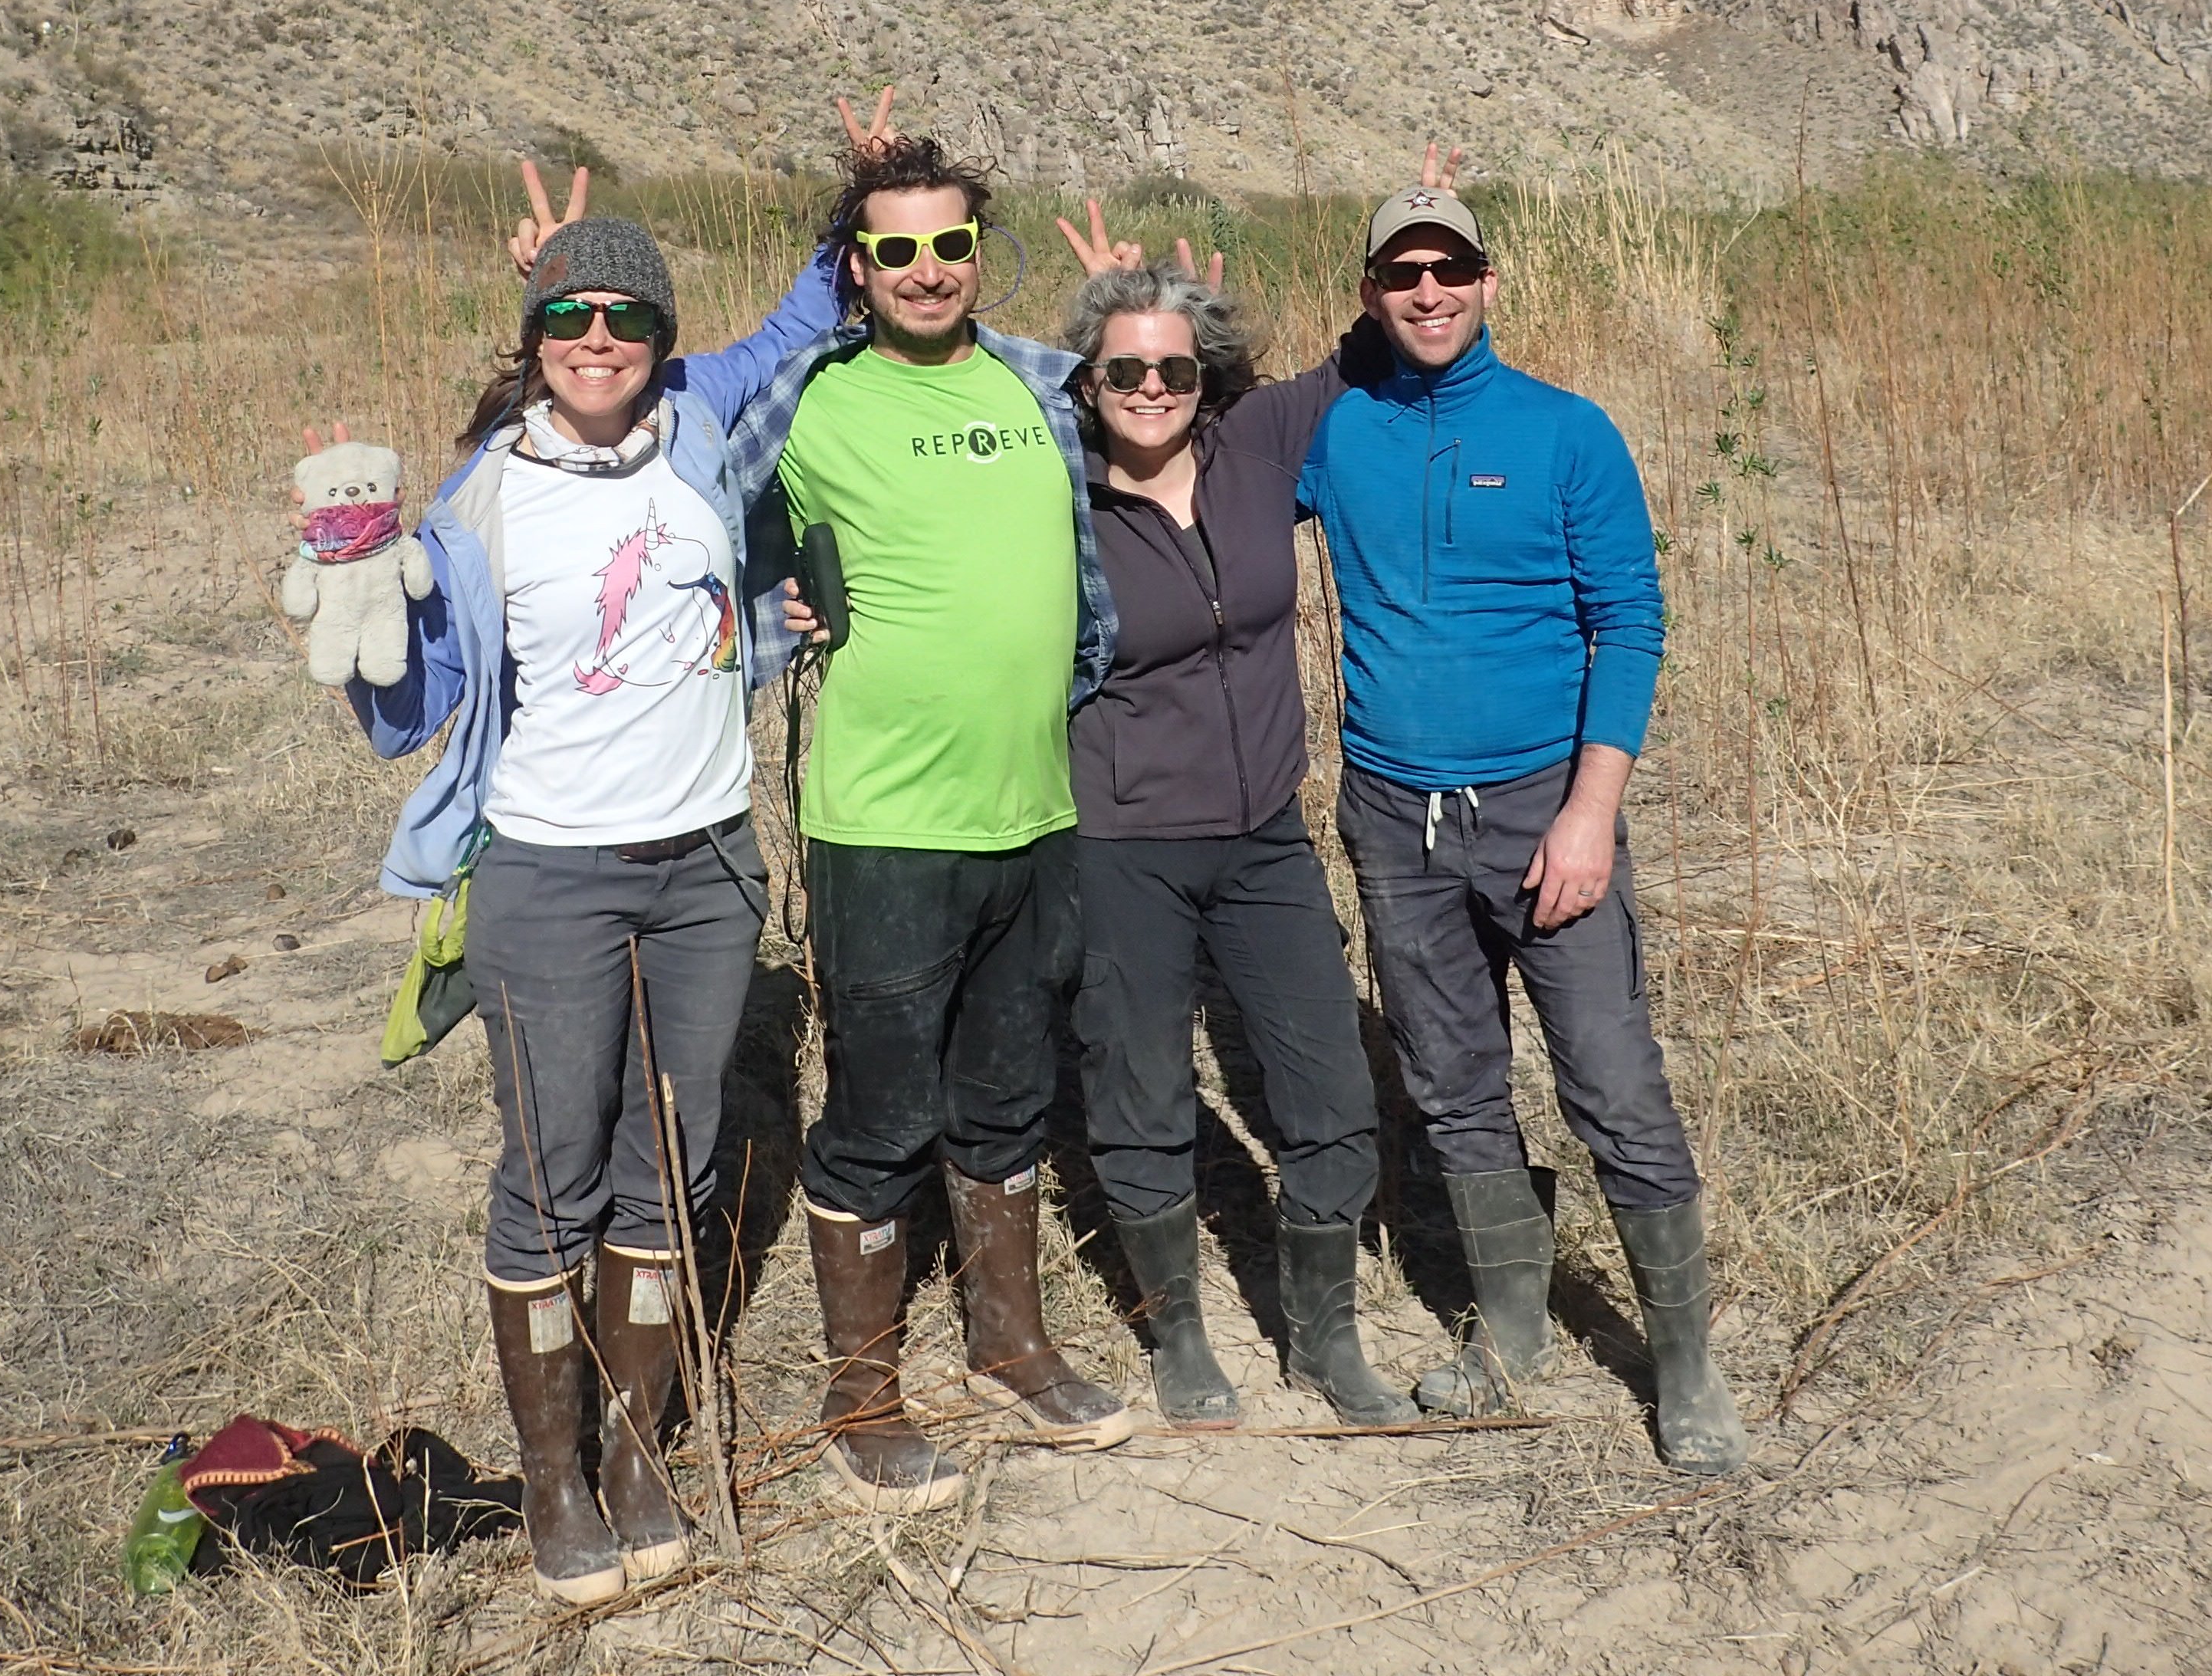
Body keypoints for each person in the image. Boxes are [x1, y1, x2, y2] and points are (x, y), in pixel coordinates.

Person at [334, 156, 848, 1601]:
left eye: (628, 312)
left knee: (671, 1167)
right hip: (548, 878)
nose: (601, 336)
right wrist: (358, 596)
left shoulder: (700, 432)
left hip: (704, 872)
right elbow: (408, 700)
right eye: (572, 314)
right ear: (535, 334)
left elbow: (814, 316)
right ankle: (553, 1480)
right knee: (550, 1177)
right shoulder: (484, 493)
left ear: (663, 330)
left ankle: (634, 1450)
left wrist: (857, 193)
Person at [1294, 159, 1751, 1475]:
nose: (1428, 291)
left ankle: (1684, 1366)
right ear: (1371, 294)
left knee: (1613, 1084)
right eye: (1402, 273)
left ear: (1490, 282)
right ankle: (1512, 1331)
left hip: (1544, 811)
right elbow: (1210, 495)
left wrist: (1590, 813)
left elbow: (1631, 624)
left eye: (1450, 269)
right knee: (1451, 1083)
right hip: (1392, 817)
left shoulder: (1567, 433)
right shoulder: (1344, 431)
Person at [725, 123, 1131, 1513]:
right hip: (886, 823)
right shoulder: (805, 400)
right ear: (856, 265)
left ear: (976, 250)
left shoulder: (1037, 383)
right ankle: (862, 1387)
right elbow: (687, 520)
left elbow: (1184, 399)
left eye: (949, 242)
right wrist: (765, 625)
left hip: (1035, 809)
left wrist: (1136, 305)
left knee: (1011, 1090)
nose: (926, 268)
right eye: (893, 247)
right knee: (883, 1112)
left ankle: (1010, 1341)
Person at [1046, 209, 1413, 1426]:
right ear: (1086, 383)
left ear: (1206, 378)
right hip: (1122, 841)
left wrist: (1408, 238)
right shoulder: (1053, 498)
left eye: (1173, 368)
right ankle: (1181, 1339)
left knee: (1328, 1086)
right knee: (1142, 1087)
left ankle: (1323, 1336)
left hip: (1265, 834)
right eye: (1123, 370)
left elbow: (1372, 344)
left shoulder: (1258, 446)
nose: (1150, 389)